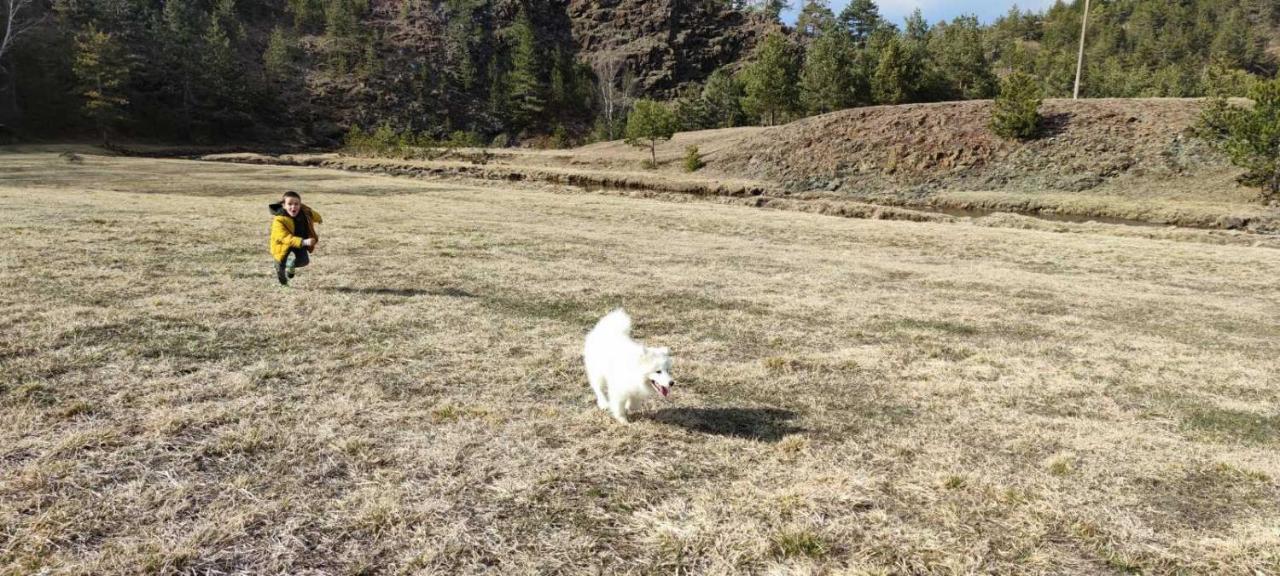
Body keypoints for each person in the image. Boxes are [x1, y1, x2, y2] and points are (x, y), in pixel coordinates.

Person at [268, 191, 322, 286]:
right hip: (283, 245)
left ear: (300, 205)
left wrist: (319, 218)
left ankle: (291, 265)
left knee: (304, 261)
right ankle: (284, 283)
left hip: (300, 243)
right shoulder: (279, 220)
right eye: (289, 204)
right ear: (284, 205)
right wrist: (304, 242)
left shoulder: (304, 212)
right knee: (280, 267)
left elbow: (312, 213)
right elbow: (284, 237)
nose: (293, 207)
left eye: (296, 204)